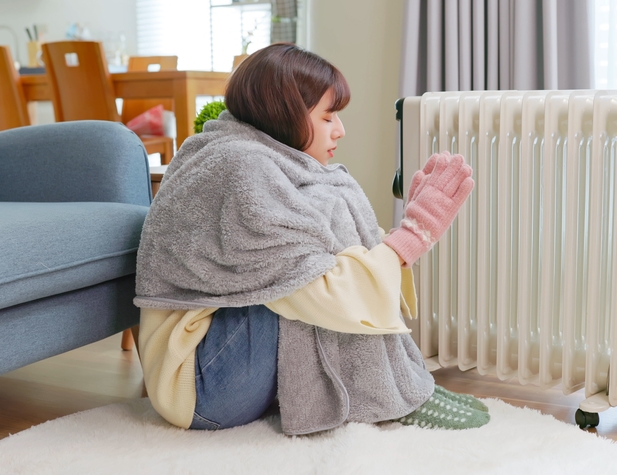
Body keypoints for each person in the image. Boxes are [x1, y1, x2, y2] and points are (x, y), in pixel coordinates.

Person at [134, 43, 488, 434]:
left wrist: (402, 240)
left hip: (222, 365)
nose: (340, 129)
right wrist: (413, 235)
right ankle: (387, 397)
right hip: (201, 389)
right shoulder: (240, 167)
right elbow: (320, 290)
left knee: (313, 257)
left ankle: (398, 385)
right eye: (327, 116)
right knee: (307, 276)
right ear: (284, 114)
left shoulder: (258, 157)